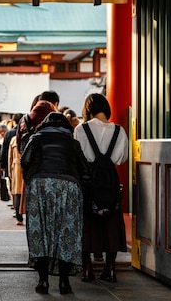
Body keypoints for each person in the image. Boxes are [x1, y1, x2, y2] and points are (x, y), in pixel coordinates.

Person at [21, 107, 88, 295]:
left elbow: (25, 160)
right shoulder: (72, 143)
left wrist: (31, 179)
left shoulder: (36, 138)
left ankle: (43, 281)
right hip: (69, 187)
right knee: (66, 233)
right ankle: (65, 282)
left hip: (40, 185)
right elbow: (85, 170)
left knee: (40, 232)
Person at [74, 93, 128, 284]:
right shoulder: (120, 131)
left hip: (89, 181)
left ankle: (87, 269)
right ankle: (110, 269)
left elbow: (77, 158)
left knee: (87, 223)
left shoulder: (81, 130)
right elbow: (122, 159)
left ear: (88, 109)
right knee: (112, 222)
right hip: (111, 181)